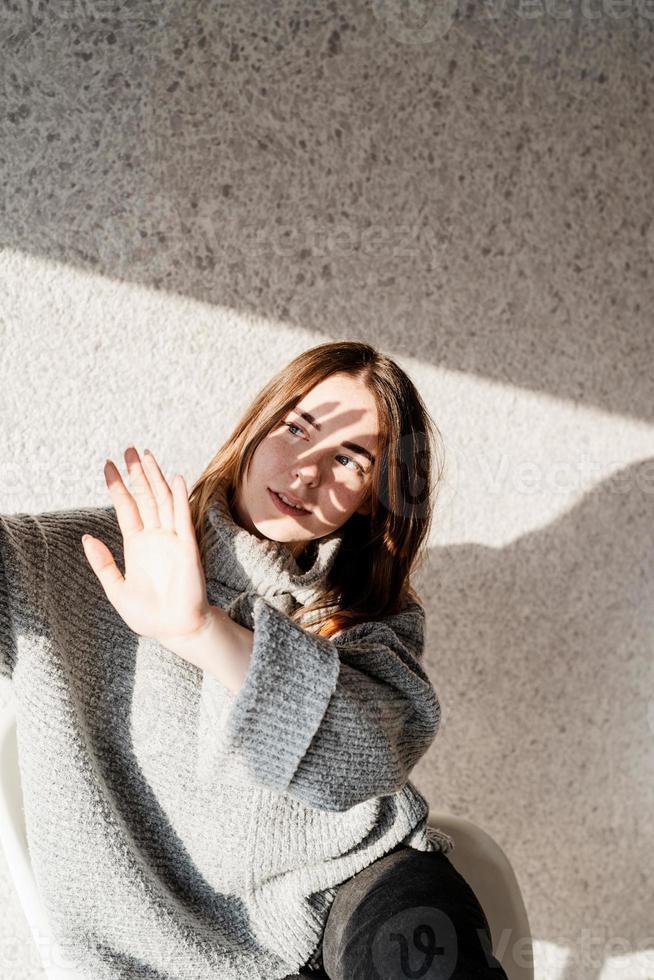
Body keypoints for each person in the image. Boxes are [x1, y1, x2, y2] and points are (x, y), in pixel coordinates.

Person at [0, 341, 507, 979]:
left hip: (350, 888)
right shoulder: (85, 561)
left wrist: (200, 632)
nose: (305, 473)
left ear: (374, 498)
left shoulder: (371, 613)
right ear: (257, 429)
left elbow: (365, 763)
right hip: (158, 949)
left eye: (349, 459)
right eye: (297, 429)